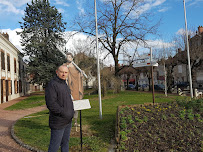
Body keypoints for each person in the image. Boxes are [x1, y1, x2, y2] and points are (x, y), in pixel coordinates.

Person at [45, 65, 74, 152]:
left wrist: (70, 112)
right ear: (57, 72)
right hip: (58, 121)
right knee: (54, 147)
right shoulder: (52, 85)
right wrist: (64, 112)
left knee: (65, 144)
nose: (63, 74)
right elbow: (51, 104)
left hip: (68, 121)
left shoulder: (64, 84)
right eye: (62, 72)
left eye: (66, 72)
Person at [64, 52, 84, 128]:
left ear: (72, 58)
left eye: (69, 57)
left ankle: (75, 122)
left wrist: (81, 74)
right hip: (68, 89)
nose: (68, 58)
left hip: (75, 89)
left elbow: (78, 76)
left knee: (76, 107)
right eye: (67, 57)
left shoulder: (75, 67)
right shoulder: (64, 66)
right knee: (68, 107)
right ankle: (67, 122)